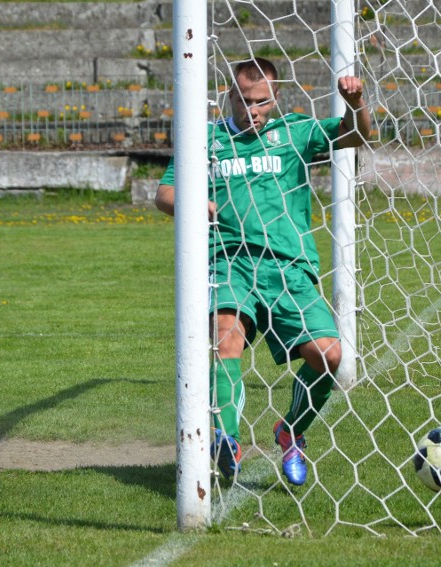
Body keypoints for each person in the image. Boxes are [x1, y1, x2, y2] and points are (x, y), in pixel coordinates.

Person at [156, 58, 371, 485]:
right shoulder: (207, 140)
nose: (250, 110)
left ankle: (290, 429)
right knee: (225, 335)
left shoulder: (294, 132)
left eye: (260, 102)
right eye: (242, 100)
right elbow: (164, 193)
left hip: (288, 265)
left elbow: (359, 133)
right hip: (229, 259)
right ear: (229, 96)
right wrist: (192, 204)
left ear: (274, 99)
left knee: (329, 356)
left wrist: (356, 103)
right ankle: (227, 439)